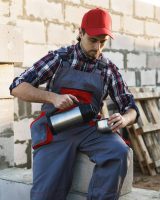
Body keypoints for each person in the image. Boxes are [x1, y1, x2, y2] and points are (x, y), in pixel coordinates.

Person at [10, 7, 139, 200]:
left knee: (118, 151)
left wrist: (124, 118)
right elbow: (17, 87)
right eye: (93, 40)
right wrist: (52, 98)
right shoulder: (60, 58)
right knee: (45, 194)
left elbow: (130, 107)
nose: (97, 48)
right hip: (56, 128)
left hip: (89, 129)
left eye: (102, 42)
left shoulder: (108, 69)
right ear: (80, 33)